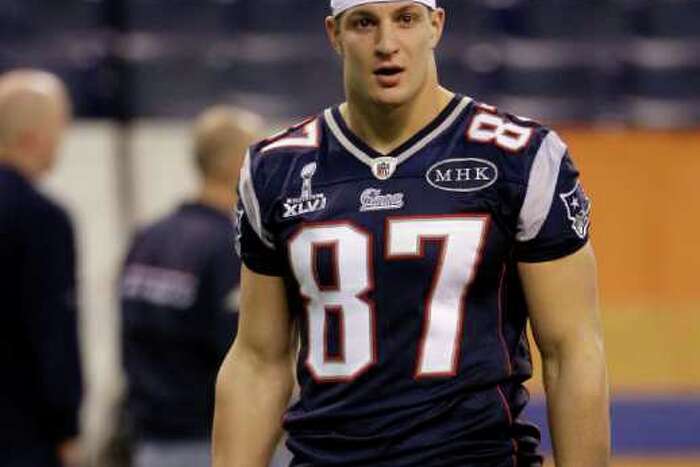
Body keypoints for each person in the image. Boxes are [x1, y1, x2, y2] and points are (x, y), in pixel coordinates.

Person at [213, 1, 610, 466]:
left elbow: (571, 349)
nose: (386, 45)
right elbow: (258, 359)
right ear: (333, 34)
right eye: (364, 23)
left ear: (435, 26)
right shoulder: (276, 168)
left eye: (405, 19)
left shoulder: (521, 157)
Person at [119, 106, 263, 467]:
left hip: (151, 441)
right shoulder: (231, 247)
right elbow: (247, 355)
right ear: (239, 166)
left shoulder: (149, 237)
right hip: (212, 441)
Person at [0, 69, 83, 467]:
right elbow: (51, 330)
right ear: (34, 136)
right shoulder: (41, 218)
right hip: (22, 432)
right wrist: (66, 427)